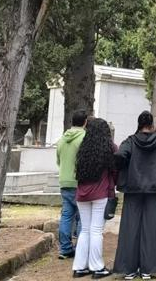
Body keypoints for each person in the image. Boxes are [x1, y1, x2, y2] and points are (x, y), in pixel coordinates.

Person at [114, 111, 156, 280]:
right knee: (152, 228)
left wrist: (125, 170)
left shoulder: (130, 141)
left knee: (130, 227)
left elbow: (120, 155)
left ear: (138, 123)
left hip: (134, 188)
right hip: (155, 188)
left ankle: (128, 269)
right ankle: (147, 269)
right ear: (152, 124)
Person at [72, 118, 116, 278]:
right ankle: (97, 267)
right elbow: (115, 171)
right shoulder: (109, 148)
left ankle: (79, 266)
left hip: (82, 194)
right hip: (100, 193)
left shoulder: (83, 148)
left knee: (85, 230)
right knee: (96, 230)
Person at [56, 109, 87, 259]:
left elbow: (58, 161)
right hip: (79, 182)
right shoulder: (84, 137)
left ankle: (64, 248)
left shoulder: (62, 139)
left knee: (66, 215)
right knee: (82, 217)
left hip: (64, 180)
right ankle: (80, 248)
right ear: (85, 122)